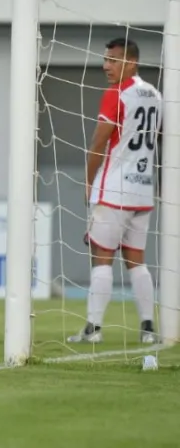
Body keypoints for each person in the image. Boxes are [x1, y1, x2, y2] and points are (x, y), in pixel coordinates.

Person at [69, 37, 161, 345]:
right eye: (106, 59)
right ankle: (148, 328)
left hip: (114, 190)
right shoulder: (155, 94)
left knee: (103, 258)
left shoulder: (116, 94)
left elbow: (99, 142)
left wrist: (88, 181)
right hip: (143, 190)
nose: (106, 65)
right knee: (137, 260)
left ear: (131, 62)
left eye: (114, 60)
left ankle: (93, 329)